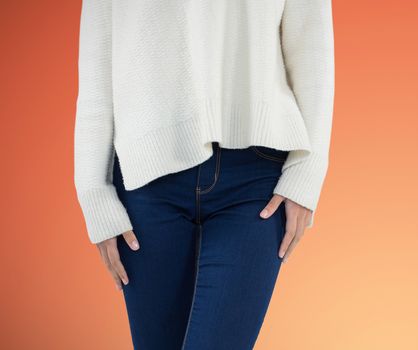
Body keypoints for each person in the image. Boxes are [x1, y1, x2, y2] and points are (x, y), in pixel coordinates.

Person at [73, 1, 334, 349]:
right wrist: (94, 194)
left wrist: (308, 172)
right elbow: (96, 69)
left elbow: (312, 46)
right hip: (147, 180)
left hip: (254, 178)